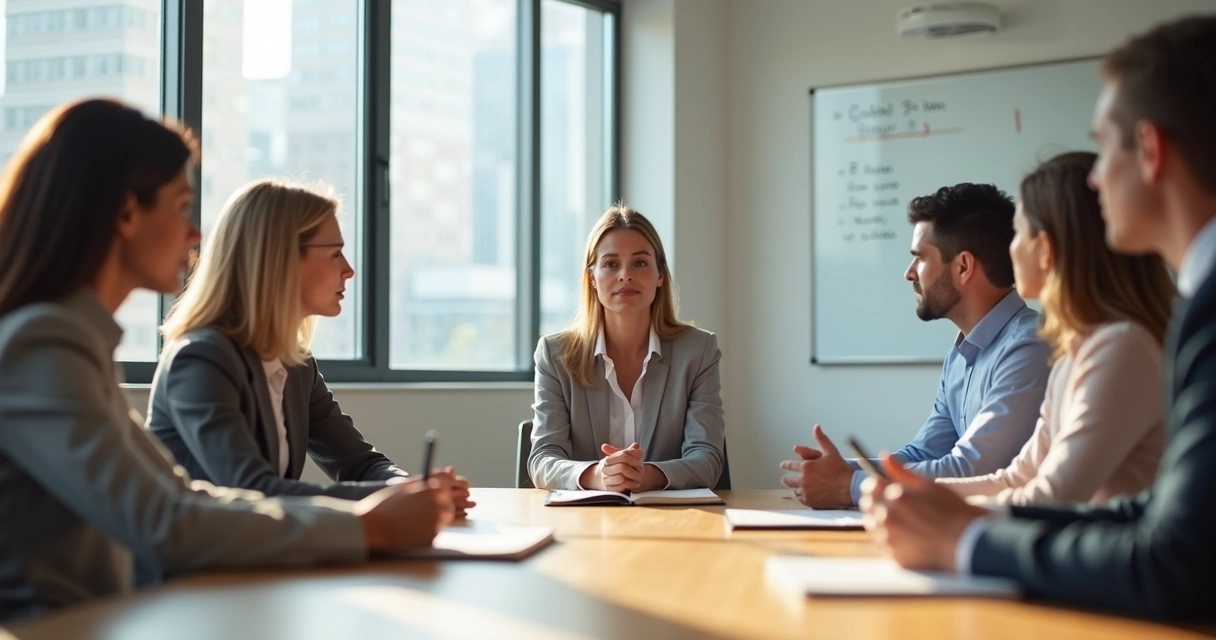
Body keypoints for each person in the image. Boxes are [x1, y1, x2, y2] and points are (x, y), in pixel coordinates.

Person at [0, 99, 452, 623]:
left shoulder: (73, 342)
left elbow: (183, 496)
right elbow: (166, 522)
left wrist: (389, 505)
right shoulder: (45, 344)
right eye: (180, 206)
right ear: (126, 213)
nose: (195, 235)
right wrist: (371, 526)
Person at [860, 15, 1216, 619]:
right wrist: (926, 503)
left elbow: (1137, 535)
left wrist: (959, 534)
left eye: (1106, 148)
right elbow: (1052, 483)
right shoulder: (1102, 337)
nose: (1097, 179)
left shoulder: (1129, 340)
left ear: (1151, 150)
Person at [147, 178, 472, 511]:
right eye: (335, 254)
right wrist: (396, 500)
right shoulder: (201, 359)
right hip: (199, 560)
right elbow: (252, 491)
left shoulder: (296, 363)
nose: (349, 270)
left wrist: (410, 487)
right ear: (281, 258)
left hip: (262, 555)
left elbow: (359, 463)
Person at [781, 184, 1051, 508]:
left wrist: (848, 486)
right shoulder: (961, 354)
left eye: (919, 258)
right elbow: (924, 454)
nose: (909, 274)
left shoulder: (1028, 348)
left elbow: (973, 469)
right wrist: (839, 471)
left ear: (963, 267)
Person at [937, 152, 1172, 505]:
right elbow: (1018, 478)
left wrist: (936, 508)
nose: (1010, 249)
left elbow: (1053, 498)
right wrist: (919, 493)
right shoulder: (1073, 352)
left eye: (1017, 233)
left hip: (1107, 557)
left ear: (1045, 249)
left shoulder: (1122, 348)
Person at [529, 204, 725, 491]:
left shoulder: (699, 351)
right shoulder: (554, 354)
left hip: (672, 522)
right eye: (610, 264)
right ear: (592, 278)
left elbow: (707, 459)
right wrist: (598, 475)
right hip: (584, 521)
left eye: (640, 263)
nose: (625, 275)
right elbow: (543, 459)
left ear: (660, 275)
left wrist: (643, 476)